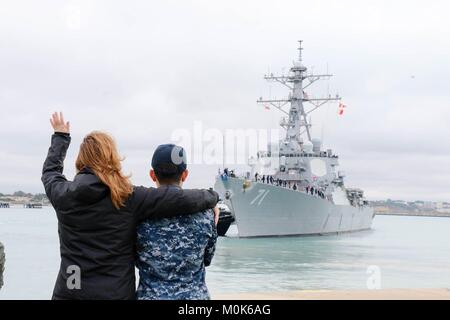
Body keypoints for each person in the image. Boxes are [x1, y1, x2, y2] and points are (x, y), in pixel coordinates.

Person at [42, 112, 219, 300]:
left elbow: (50, 172)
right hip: (113, 294)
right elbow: (175, 198)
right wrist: (212, 197)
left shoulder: (63, 194)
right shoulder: (127, 196)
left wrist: (60, 137)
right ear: (112, 158)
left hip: (71, 288)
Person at [136, 144, 217, 300]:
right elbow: (207, 258)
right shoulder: (207, 215)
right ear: (185, 175)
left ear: (152, 175)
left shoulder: (140, 215)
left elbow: (133, 258)